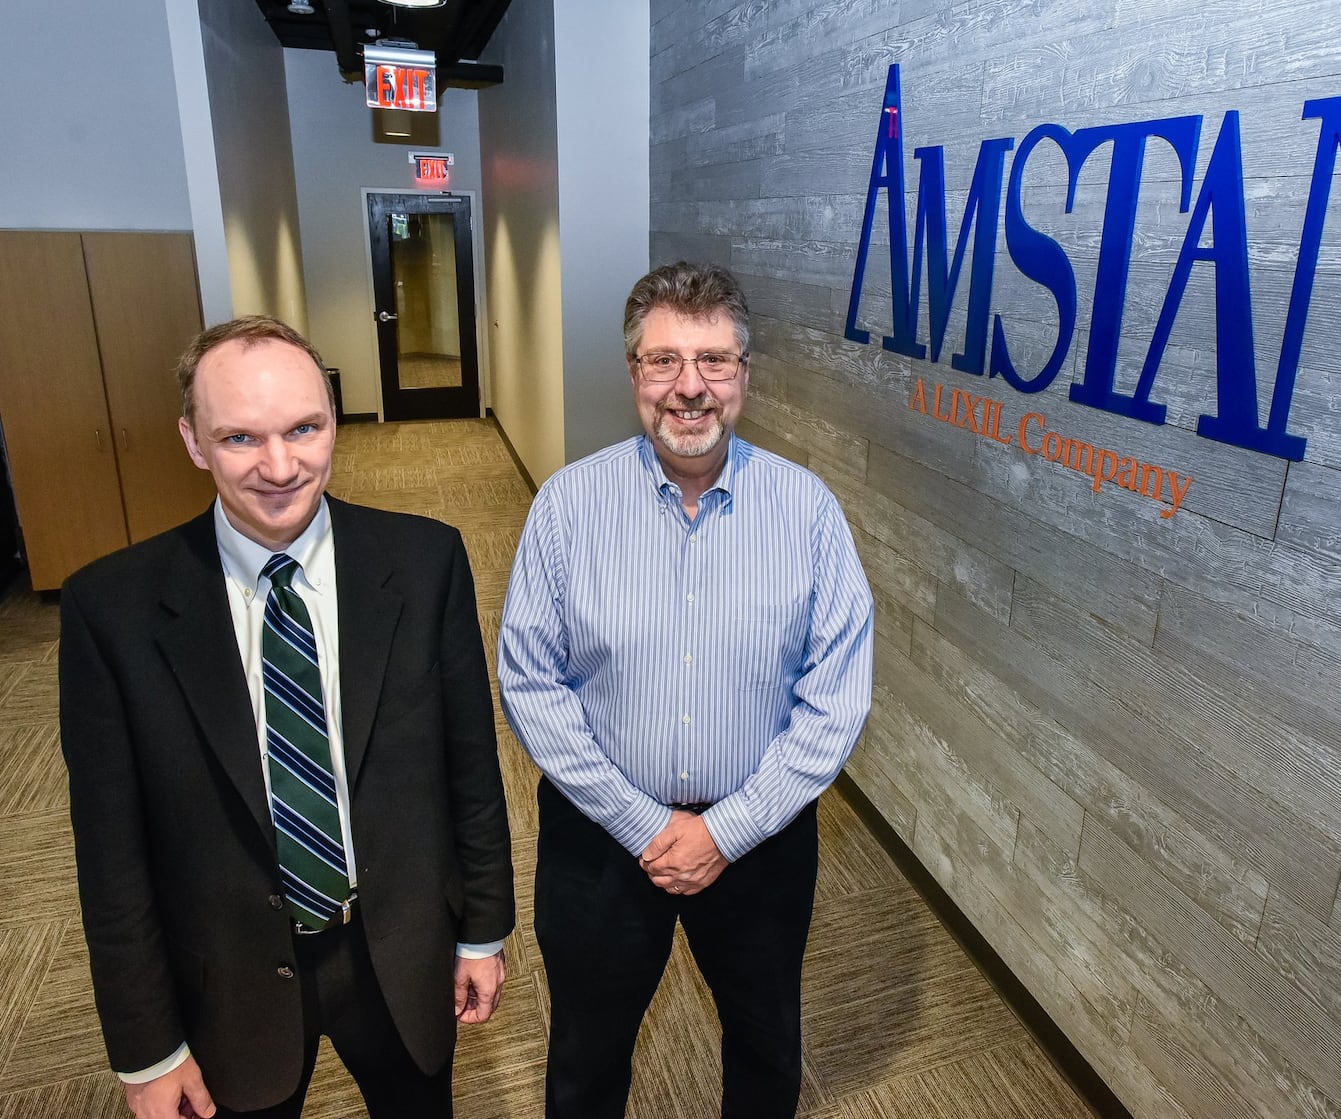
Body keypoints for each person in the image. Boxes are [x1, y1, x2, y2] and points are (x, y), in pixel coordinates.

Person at [58, 316, 515, 1119]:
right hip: (228, 982)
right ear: (193, 441)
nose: (280, 466)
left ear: (333, 420)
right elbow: (111, 857)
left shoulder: (425, 561)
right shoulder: (111, 611)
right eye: (240, 437)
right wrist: (147, 1048)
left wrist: (482, 932)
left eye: (304, 427)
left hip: (400, 954)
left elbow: (470, 768)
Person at [498, 261, 874, 1118]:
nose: (690, 388)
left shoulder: (808, 512)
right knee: (586, 1061)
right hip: (598, 839)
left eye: (714, 360)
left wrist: (726, 830)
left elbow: (837, 697)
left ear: (744, 373)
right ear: (633, 372)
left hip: (761, 842)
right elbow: (529, 679)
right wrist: (646, 822)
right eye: (664, 360)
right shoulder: (567, 507)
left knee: (767, 1048)